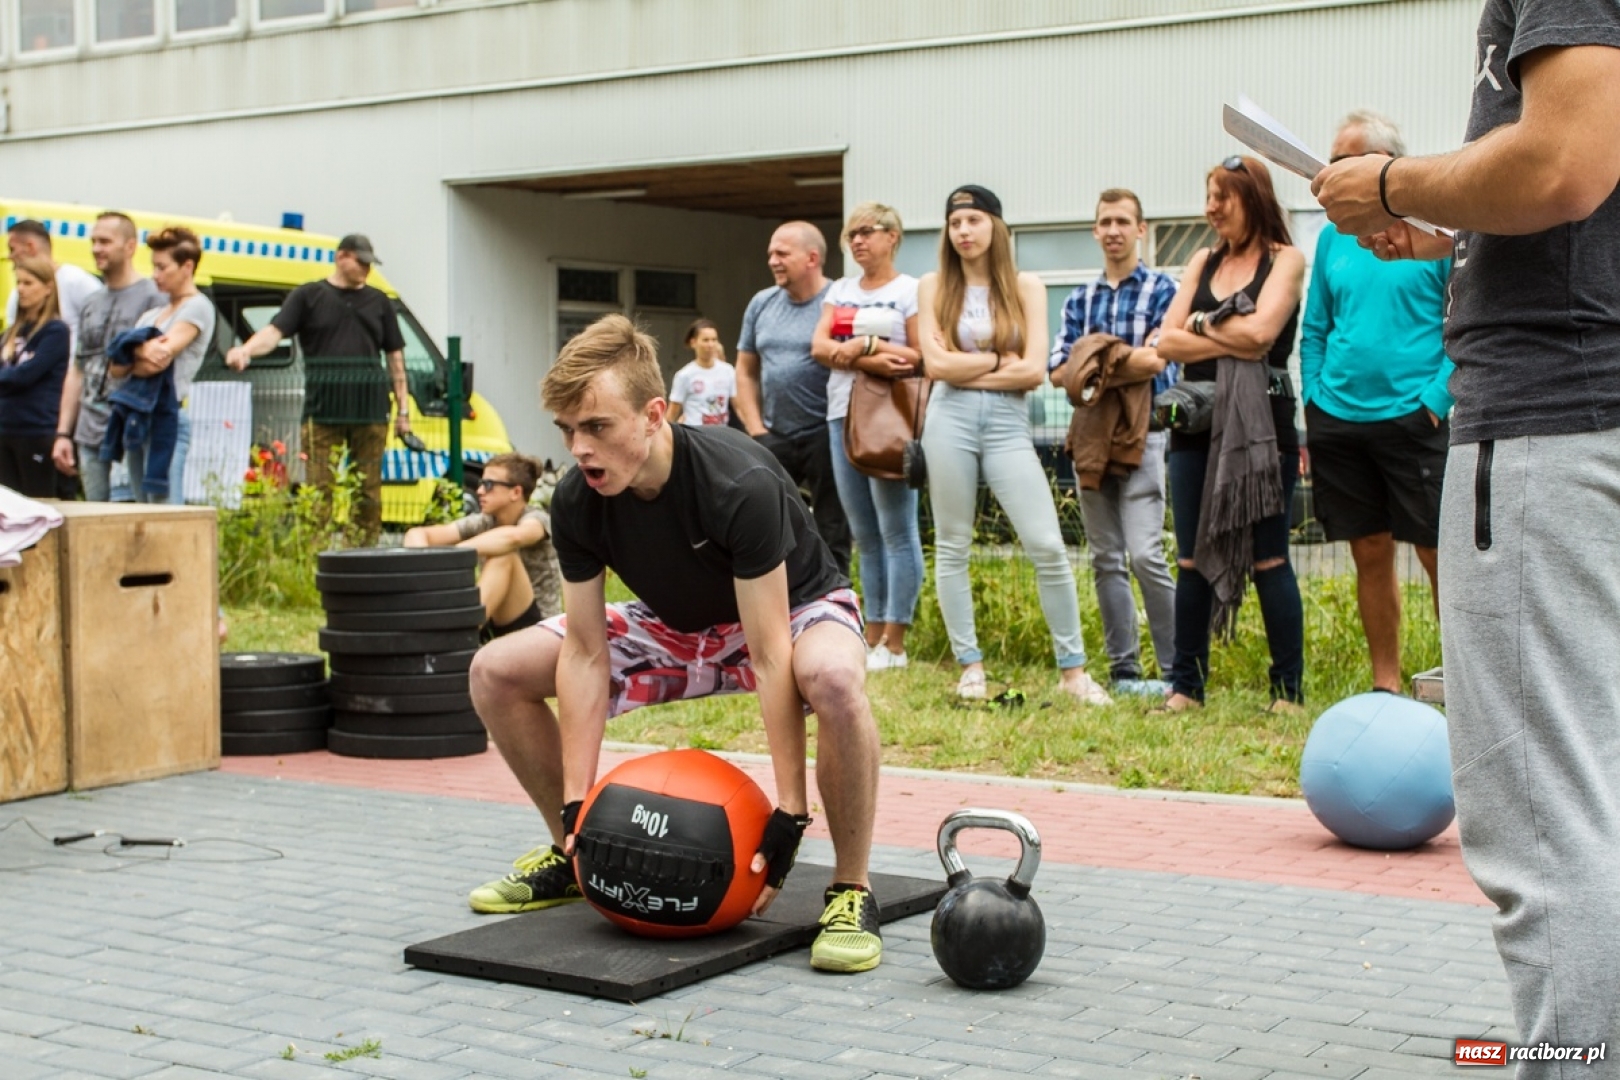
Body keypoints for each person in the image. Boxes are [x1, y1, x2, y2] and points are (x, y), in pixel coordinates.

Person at [1313, 7, 1620, 1068]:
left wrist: (1393, 182)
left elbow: (1566, 164)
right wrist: (1461, 227)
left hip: (1558, 417)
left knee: (1549, 819)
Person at [467, 315, 884, 974]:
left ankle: (852, 888)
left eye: (597, 427)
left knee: (834, 680)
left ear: (654, 414)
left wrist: (789, 812)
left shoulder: (737, 481)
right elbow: (583, 649)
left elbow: (771, 651)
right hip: (675, 622)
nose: (579, 447)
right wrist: (577, 799)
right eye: (567, 431)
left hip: (791, 611)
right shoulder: (579, 497)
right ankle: (570, 853)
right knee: (496, 670)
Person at [918, 185, 1112, 705]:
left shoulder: (1025, 285)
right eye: (955, 223)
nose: (963, 232)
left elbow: (1033, 370)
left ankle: (1073, 672)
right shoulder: (933, 285)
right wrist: (998, 362)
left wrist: (970, 364)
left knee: (1047, 545)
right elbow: (935, 367)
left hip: (1007, 425)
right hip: (948, 419)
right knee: (954, 543)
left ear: (995, 227)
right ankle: (970, 666)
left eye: (974, 221)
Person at [1300, 111, 1451, 695]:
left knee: (1438, 555)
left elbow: (1461, 323)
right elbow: (1316, 327)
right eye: (1331, 160)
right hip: (1339, 417)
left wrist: (1434, 401)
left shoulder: (1434, 231)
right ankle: (1385, 685)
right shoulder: (1331, 237)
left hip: (1415, 418)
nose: (1330, 171)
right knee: (1369, 553)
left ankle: (1460, 685)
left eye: (1345, 161)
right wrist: (1315, 398)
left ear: (1384, 164)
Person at [1154, 157, 1307, 713]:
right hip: (1196, 424)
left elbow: (1266, 333)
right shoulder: (1202, 259)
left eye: (1222, 197)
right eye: (1208, 195)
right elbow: (1165, 342)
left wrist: (1200, 327)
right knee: (1191, 557)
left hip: (1264, 428)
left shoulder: (1286, 260)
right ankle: (1186, 689)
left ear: (1253, 197)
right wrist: (1223, 333)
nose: (1210, 208)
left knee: (1270, 559)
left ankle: (1287, 692)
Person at [1048, 189, 1180, 697]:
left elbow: (1158, 362)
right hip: (1090, 441)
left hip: (1146, 436)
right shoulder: (1080, 299)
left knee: (1146, 553)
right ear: (1095, 230)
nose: (1113, 230)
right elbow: (1059, 371)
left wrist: (1095, 362)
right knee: (1105, 557)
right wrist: (1121, 361)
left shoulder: (1164, 290)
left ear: (1141, 229)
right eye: (1104, 221)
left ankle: (1174, 671)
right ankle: (1124, 672)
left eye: (1123, 220)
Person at [225, 234, 408, 543]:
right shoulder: (309, 296)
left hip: (371, 409)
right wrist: (246, 350)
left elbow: (395, 358)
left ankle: (363, 552)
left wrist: (403, 409)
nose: (365, 269)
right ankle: (315, 554)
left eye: (368, 264)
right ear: (341, 257)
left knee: (368, 489)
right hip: (323, 409)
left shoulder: (380, 302)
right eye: (360, 262)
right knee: (319, 487)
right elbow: (273, 332)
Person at [810, 202, 923, 672]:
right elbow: (819, 347)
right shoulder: (840, 289)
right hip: (842, 415)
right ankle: (872, 632)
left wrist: (866, 347)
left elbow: (917, 354)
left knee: (897, 528)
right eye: (850, 235)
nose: (857, 241)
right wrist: (861, 357)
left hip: (890, 418)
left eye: (867, 232)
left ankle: (896, 640)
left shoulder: (911, 290)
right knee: (864, 532)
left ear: (892, 236)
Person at [734, 222, 853, 574]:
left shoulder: (837, 302)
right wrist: (757, 430)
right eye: (771, 253)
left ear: (812, 257)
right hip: (775, 433)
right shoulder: (762, 303)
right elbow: (744, 370)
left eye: (782, 253)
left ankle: (837, 598)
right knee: (771, 523)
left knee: (833, 526)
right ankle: (786, 599)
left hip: (826, 431)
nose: (773, 260)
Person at [50, 212, 164, 502]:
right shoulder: (91, 302)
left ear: (129, 247)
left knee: (137, 516)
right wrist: (64, 433)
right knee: (94, 517)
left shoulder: (153, 297)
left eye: (105, 241)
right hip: (89, 430)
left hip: (133, 428)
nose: (96, 249)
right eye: (93, 241)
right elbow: (78, 370)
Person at [403, 451, 563, 635]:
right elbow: (417, 534)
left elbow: (515, 537)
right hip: (493, 621)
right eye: (481, 483)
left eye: (488, 485)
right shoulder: (484, 521)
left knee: (504, 556)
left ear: (516, 492)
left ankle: (454, 638)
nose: (479, 491)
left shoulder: (537, 519)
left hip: (538, 628)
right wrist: (424, 564)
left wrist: (453, 555)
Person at [111, 227, 216, 504]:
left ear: (187, 266)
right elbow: (115, 367)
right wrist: (141, 352)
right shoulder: (152, 314)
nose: (155, 275)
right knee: (140, 508)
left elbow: (159, 359)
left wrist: (133, 350)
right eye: (154, 267)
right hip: (138, 416)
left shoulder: (197, 307)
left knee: (164, 508)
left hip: (166, 416)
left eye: (162, 267)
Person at [8, 218, 103, 498]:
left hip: (63, 391)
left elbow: (99, 328)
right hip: (19, 408)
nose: (10, 256)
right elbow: (13, 352)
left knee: (51, 489)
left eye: (13, 249)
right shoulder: (16, 298)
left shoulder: (76, 281)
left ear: (30, 246)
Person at [0, 257, 71, 496]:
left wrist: (9, 377)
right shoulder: (11, 333)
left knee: (37, 502)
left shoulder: (55, 331)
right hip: (5, 427)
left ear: (48, 288)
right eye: (19, 283)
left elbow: (27, 375)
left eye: (28, 283)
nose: (21, 289)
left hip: (35, 430)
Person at [666, 318, 736, 427]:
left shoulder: (728, 371)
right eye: (706, 340)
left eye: (714, 340)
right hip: (695, 437)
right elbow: (672, 412)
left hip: (721, 436)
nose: (710, 344)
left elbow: (739, 407)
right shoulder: (684, 375)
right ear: (693, 342)